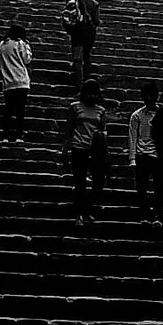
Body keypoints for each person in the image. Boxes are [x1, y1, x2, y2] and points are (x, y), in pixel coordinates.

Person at [128, 81, 163, 227]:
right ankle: (145, 214)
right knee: (141, 187)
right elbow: (132, 138)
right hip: (141, 155)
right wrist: (132, 159)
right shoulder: (136, 116)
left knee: (159, 187)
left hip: (158, 156)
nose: (150, 99)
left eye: (152, 96)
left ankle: (157, 214)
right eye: (147, 96)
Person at [63, 77, 109, 224]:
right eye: (89, 93)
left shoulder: (101, 110)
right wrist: (65, 150)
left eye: (94, 94)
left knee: (99, 182)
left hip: (95, 150)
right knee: (80, 182)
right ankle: (80, 214)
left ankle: (87, 208)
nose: (92, 96)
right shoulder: (75, 107)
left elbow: (103, 130)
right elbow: (69, 130)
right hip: (78, 147)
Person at [63, 0, 100, 91]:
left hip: (77, 32)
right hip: (90, 33)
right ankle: (87, 80)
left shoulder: (74, 1)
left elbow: (66, 17)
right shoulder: (94, 3)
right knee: (87, 56)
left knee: (77, 57)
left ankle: (80, 82)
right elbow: (97, 21)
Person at [0, 20, 32, 144]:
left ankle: (5, 136)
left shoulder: (3, 44)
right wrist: (27, 47)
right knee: (20, 110)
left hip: (8, 81)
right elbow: (27, 60)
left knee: (8, 110)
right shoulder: (20, 44)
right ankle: (18, 136)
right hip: (21, 80)